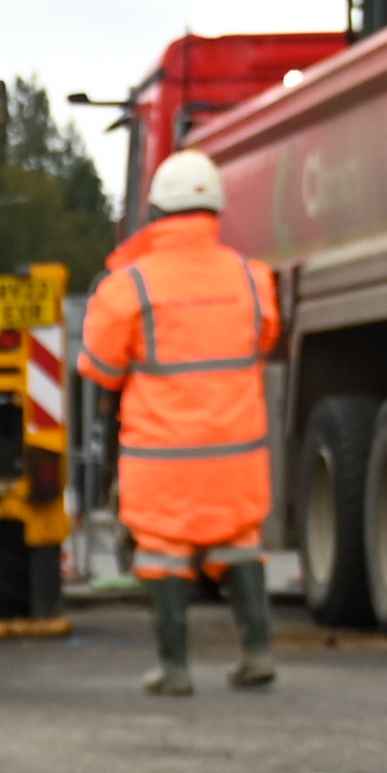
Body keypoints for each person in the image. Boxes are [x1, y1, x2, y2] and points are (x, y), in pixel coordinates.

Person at [79, 146, 286, 692]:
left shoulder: (131, 286)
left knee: (164, 550)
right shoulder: (252, 278)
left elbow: (99, 366)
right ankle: (257, 653)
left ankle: (174, 669)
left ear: (155, 213)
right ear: (215, 212)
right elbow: (264, 339)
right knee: (239, 540)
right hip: (236, 454)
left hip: (163, 458)